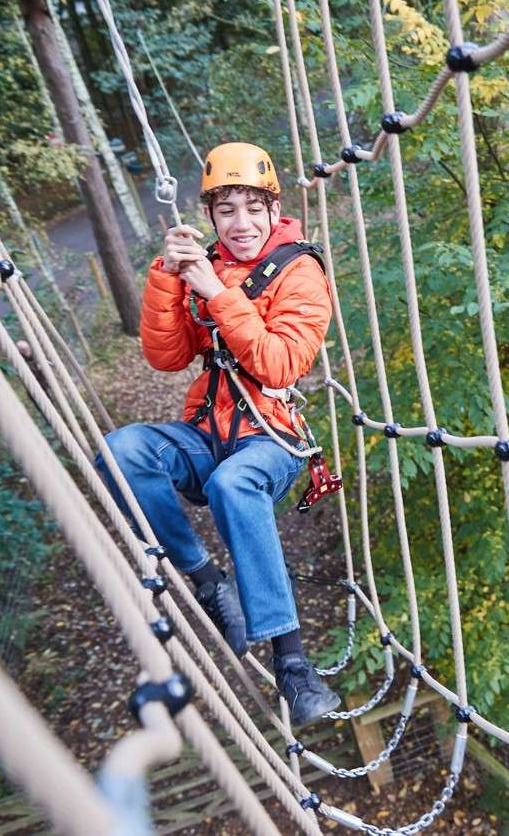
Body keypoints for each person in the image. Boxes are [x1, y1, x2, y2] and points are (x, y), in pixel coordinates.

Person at [95, 142, 340, 726]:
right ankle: (209, 582)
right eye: (226, 210)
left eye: (253, 208)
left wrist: (216, 291)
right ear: (210, 216)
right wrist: (167, 276)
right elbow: (166, 355)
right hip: (207, 429)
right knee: (121, 452)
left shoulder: (300, 272)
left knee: (234, 485)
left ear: (273, 209)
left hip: (269, 439)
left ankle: (293, 664)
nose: (241, 223)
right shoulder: (206, 265)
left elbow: (281, 363)